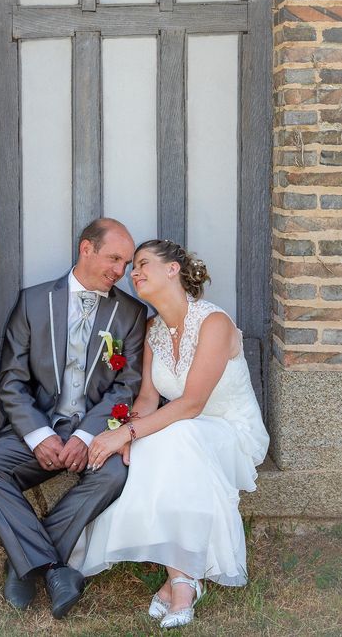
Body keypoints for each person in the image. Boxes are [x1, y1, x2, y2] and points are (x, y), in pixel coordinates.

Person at [68, 239, 270, 629]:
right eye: (133, 267)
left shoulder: (214, 322)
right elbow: (147, 399)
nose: (134, 273)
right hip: (185, 432)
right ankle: (182, 578)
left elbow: (192, 404)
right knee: (163, 442)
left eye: (143, 264)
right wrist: (127, 434)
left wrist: (125, 433)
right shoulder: (153, 330)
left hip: (231, 431)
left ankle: (179, 582)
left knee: (176, 438)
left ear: (173, 270)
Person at [0, 218, 147, 619]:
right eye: (114, 259)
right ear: (86, 249)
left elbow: (125, 386)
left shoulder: (131, 313)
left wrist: (87, 436)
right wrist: (38, 435)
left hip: (94, 428)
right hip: (41, 423)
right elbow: (11, 381)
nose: (121, 271)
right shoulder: (33, 301)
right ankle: (54, 568)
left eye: (127, 262)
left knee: (114, 475)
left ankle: (24, 563)